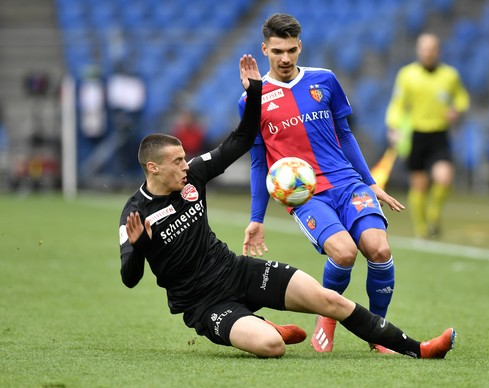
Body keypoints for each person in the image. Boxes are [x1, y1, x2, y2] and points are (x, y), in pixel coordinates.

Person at [119, 54, 456, 359]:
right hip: (204, 303)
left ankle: (419, 349)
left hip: (237, 271)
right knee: (272, 347)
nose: (185, 165)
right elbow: (130, 279)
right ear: (153, 168)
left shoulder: (193, 176)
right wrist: (140, 247)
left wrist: (254, 93)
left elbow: (239, 140)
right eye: (177, 161)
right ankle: (267, 328)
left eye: (184, 158)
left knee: (330, 301)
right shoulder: (135, 214)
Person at [239, 13, 406, 354]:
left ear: (300, 46)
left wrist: (370, 182)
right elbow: (258, 164)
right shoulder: (251, 101)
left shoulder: (325, 81)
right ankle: (327, 315)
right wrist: (257, 218)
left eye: (290, 50)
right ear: (265, 50)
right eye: (277, 51)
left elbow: (345, 135)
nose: (285, 58)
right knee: (344, 253)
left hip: (347, 182)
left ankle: (379, 333)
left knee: (380, 249)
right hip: (305, 194)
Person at [385, 33, 470, 239]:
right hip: (415, 135)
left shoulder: (450, 75)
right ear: (418, 51)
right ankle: (422, 228)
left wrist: (456, 111)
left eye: (432, 48)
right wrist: (394, 127)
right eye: (424, 48)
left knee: (444, 177)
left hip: (439, 134)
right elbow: (397, 104)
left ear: (438, 51)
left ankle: (434, 213)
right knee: (419, 184)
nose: (428, 52)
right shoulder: (407, 75)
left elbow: (462, 99)